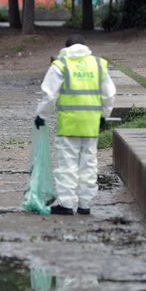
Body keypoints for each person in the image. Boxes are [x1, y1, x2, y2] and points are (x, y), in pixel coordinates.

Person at [34, 34, 116, 215]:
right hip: (91, 125)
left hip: (69, 125)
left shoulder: (61, 65)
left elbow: (49, 95)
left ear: (66, 47)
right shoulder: (98, 64)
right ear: (85, 47)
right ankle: (85, 205)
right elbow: (109, 95)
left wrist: (41, 115)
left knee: (67, 165)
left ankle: (67, 204)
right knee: (89, 164)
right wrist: (104, 115)